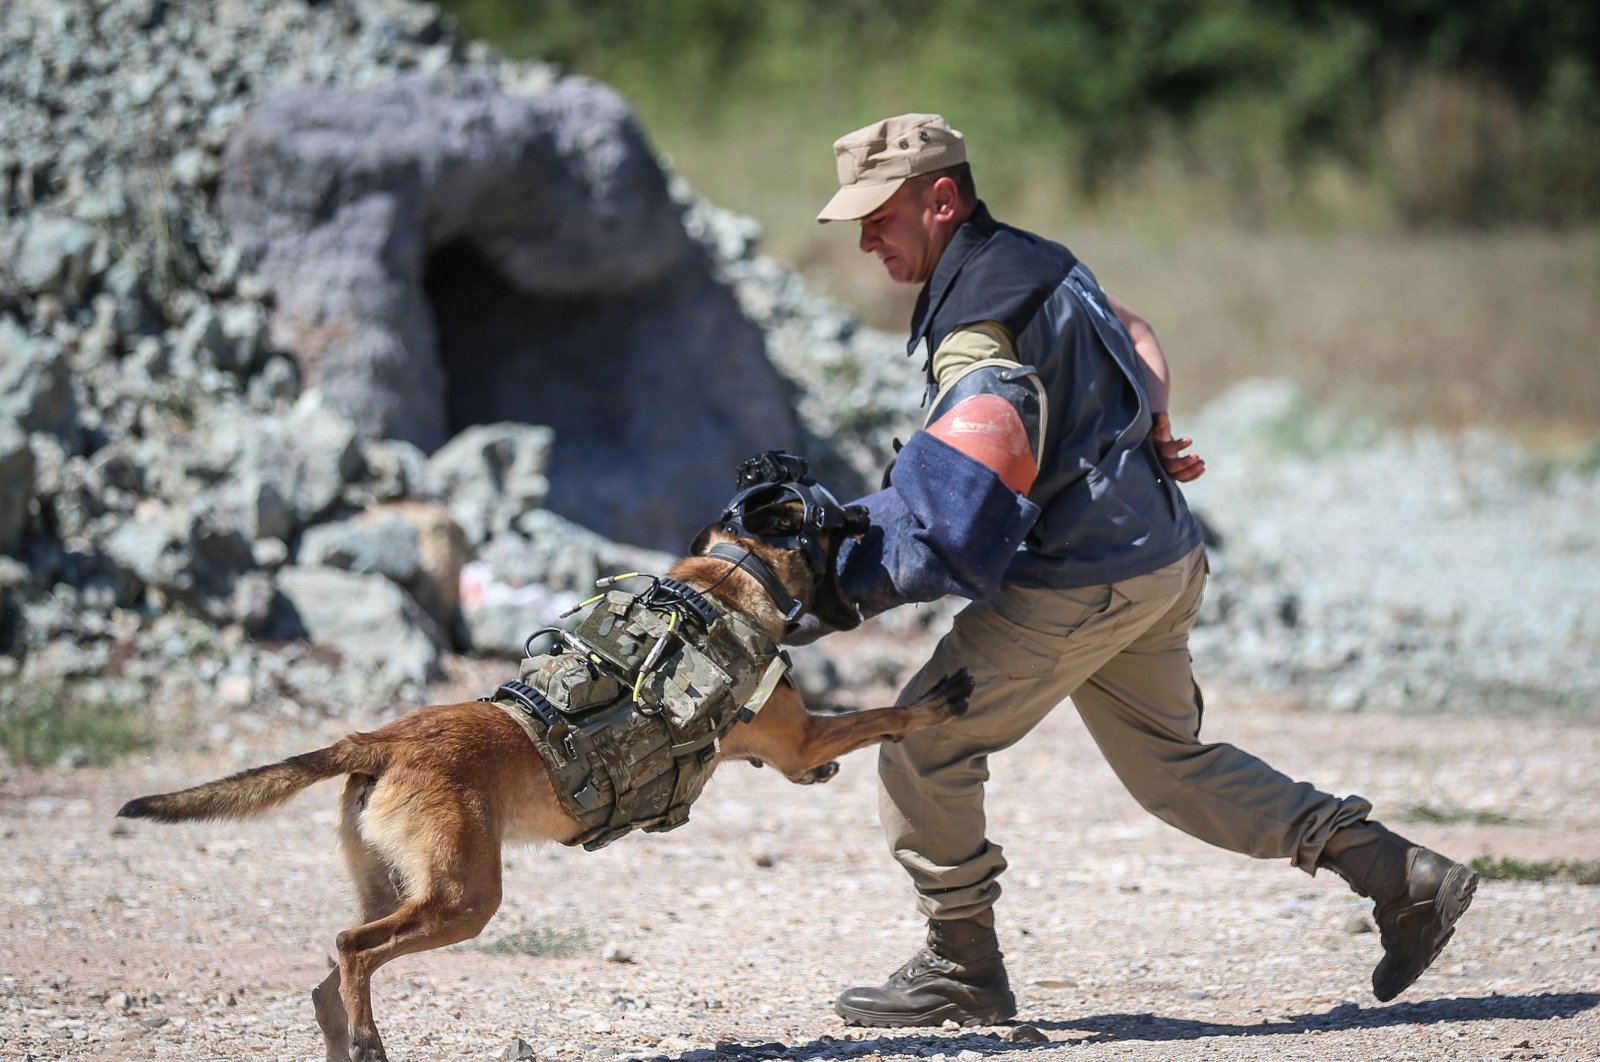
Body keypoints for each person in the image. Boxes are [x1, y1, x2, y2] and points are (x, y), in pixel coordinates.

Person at [805, 113, 1477, 1027]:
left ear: (941, 199)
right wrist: (1153, 421)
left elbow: (961, 496)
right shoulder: (1040, 259)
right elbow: (1139, 331)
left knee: (924, 742)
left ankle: (963, 967)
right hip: (1159, 555)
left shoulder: (973, 321)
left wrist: (847, 576)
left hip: (1079, 579)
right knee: (1172, 768)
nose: (865, 239)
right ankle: (1402, 876)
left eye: (878, 216)